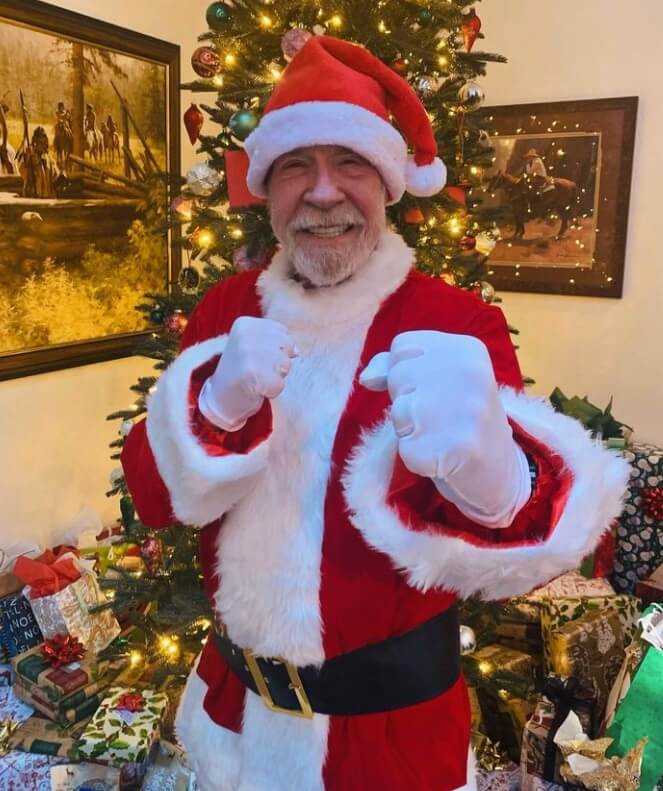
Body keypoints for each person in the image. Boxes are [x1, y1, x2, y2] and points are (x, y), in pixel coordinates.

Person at [121, 36, 629, 791]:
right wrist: (213, 407)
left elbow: (523, 549)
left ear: (390, 183)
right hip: (232, 720)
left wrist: (494, 476)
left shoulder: (456, 323)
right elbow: (153, 498)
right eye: (296, 165)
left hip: (387, 744)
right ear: (267, 188)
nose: (323, 192)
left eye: (350, 162)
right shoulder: (226, 309)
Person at [19, 126, 62, 198]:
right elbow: (23, 172)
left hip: (47, 199)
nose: (43, 145)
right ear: (35, 143)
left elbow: (56, 178)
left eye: (44, 143)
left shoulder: (50, 160)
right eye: (40, 143)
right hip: (32, 200)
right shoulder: (30, 159)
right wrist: (27, 159)